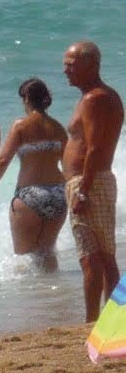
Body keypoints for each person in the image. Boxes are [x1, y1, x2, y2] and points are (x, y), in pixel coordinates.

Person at [63, 41, 124, 322]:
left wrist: (83, 189)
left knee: (91, 258)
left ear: (92, 65)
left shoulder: (94, 98)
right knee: (103, 255)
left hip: (90, 182)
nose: (66, 69)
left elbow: (95, 147)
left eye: (72, 64)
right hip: (94, 180)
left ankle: (93, 321)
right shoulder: (101, 96)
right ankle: (111, 320)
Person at [0, 78, 67, 273]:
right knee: (47, 254)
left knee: (23, 259)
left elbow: (2, 161)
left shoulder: (20, 126)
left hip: (30, 195)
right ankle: (54, 297)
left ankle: (31, 303)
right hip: (58, 193)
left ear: (26, 99)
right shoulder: (58, 127)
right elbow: (69, 165)